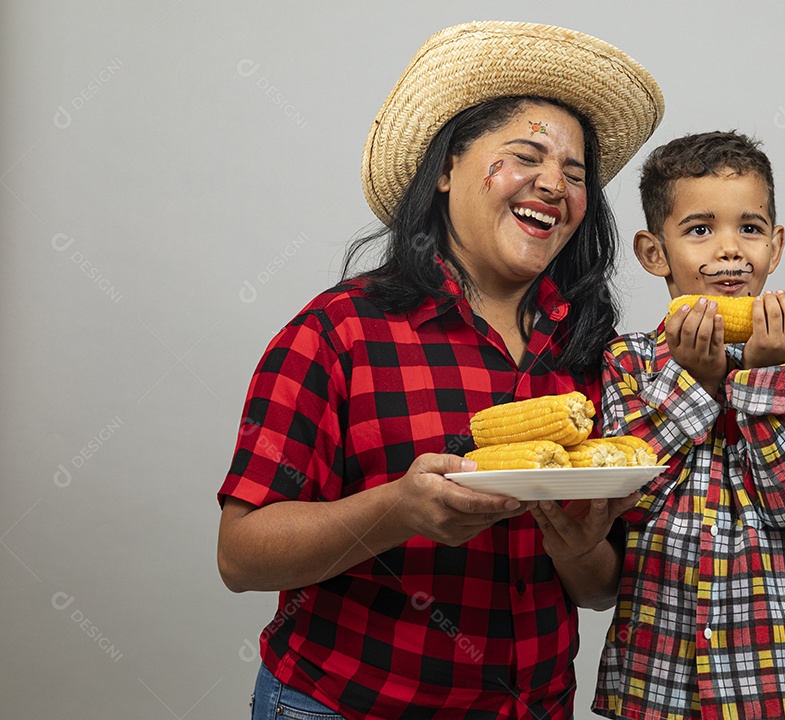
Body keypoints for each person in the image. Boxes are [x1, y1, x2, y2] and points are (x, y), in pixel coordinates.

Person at [215, 21, 663, 720]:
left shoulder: (595, 352)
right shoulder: (338, 332)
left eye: (576, 175)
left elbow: (602, 587)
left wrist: (578, 551)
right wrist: (397, 510)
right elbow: (242, 555)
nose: (554, 183)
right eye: (527, 156)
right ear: (448, 167)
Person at [593, 131, 785, 720]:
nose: (730, 250)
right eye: (700, 229)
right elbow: (626, 499)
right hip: (651, 679)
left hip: (772, 679)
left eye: (750, 228)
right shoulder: (625, 362)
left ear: (776, 246)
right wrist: (698, 383)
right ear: (654, 253)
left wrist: (762, 376)